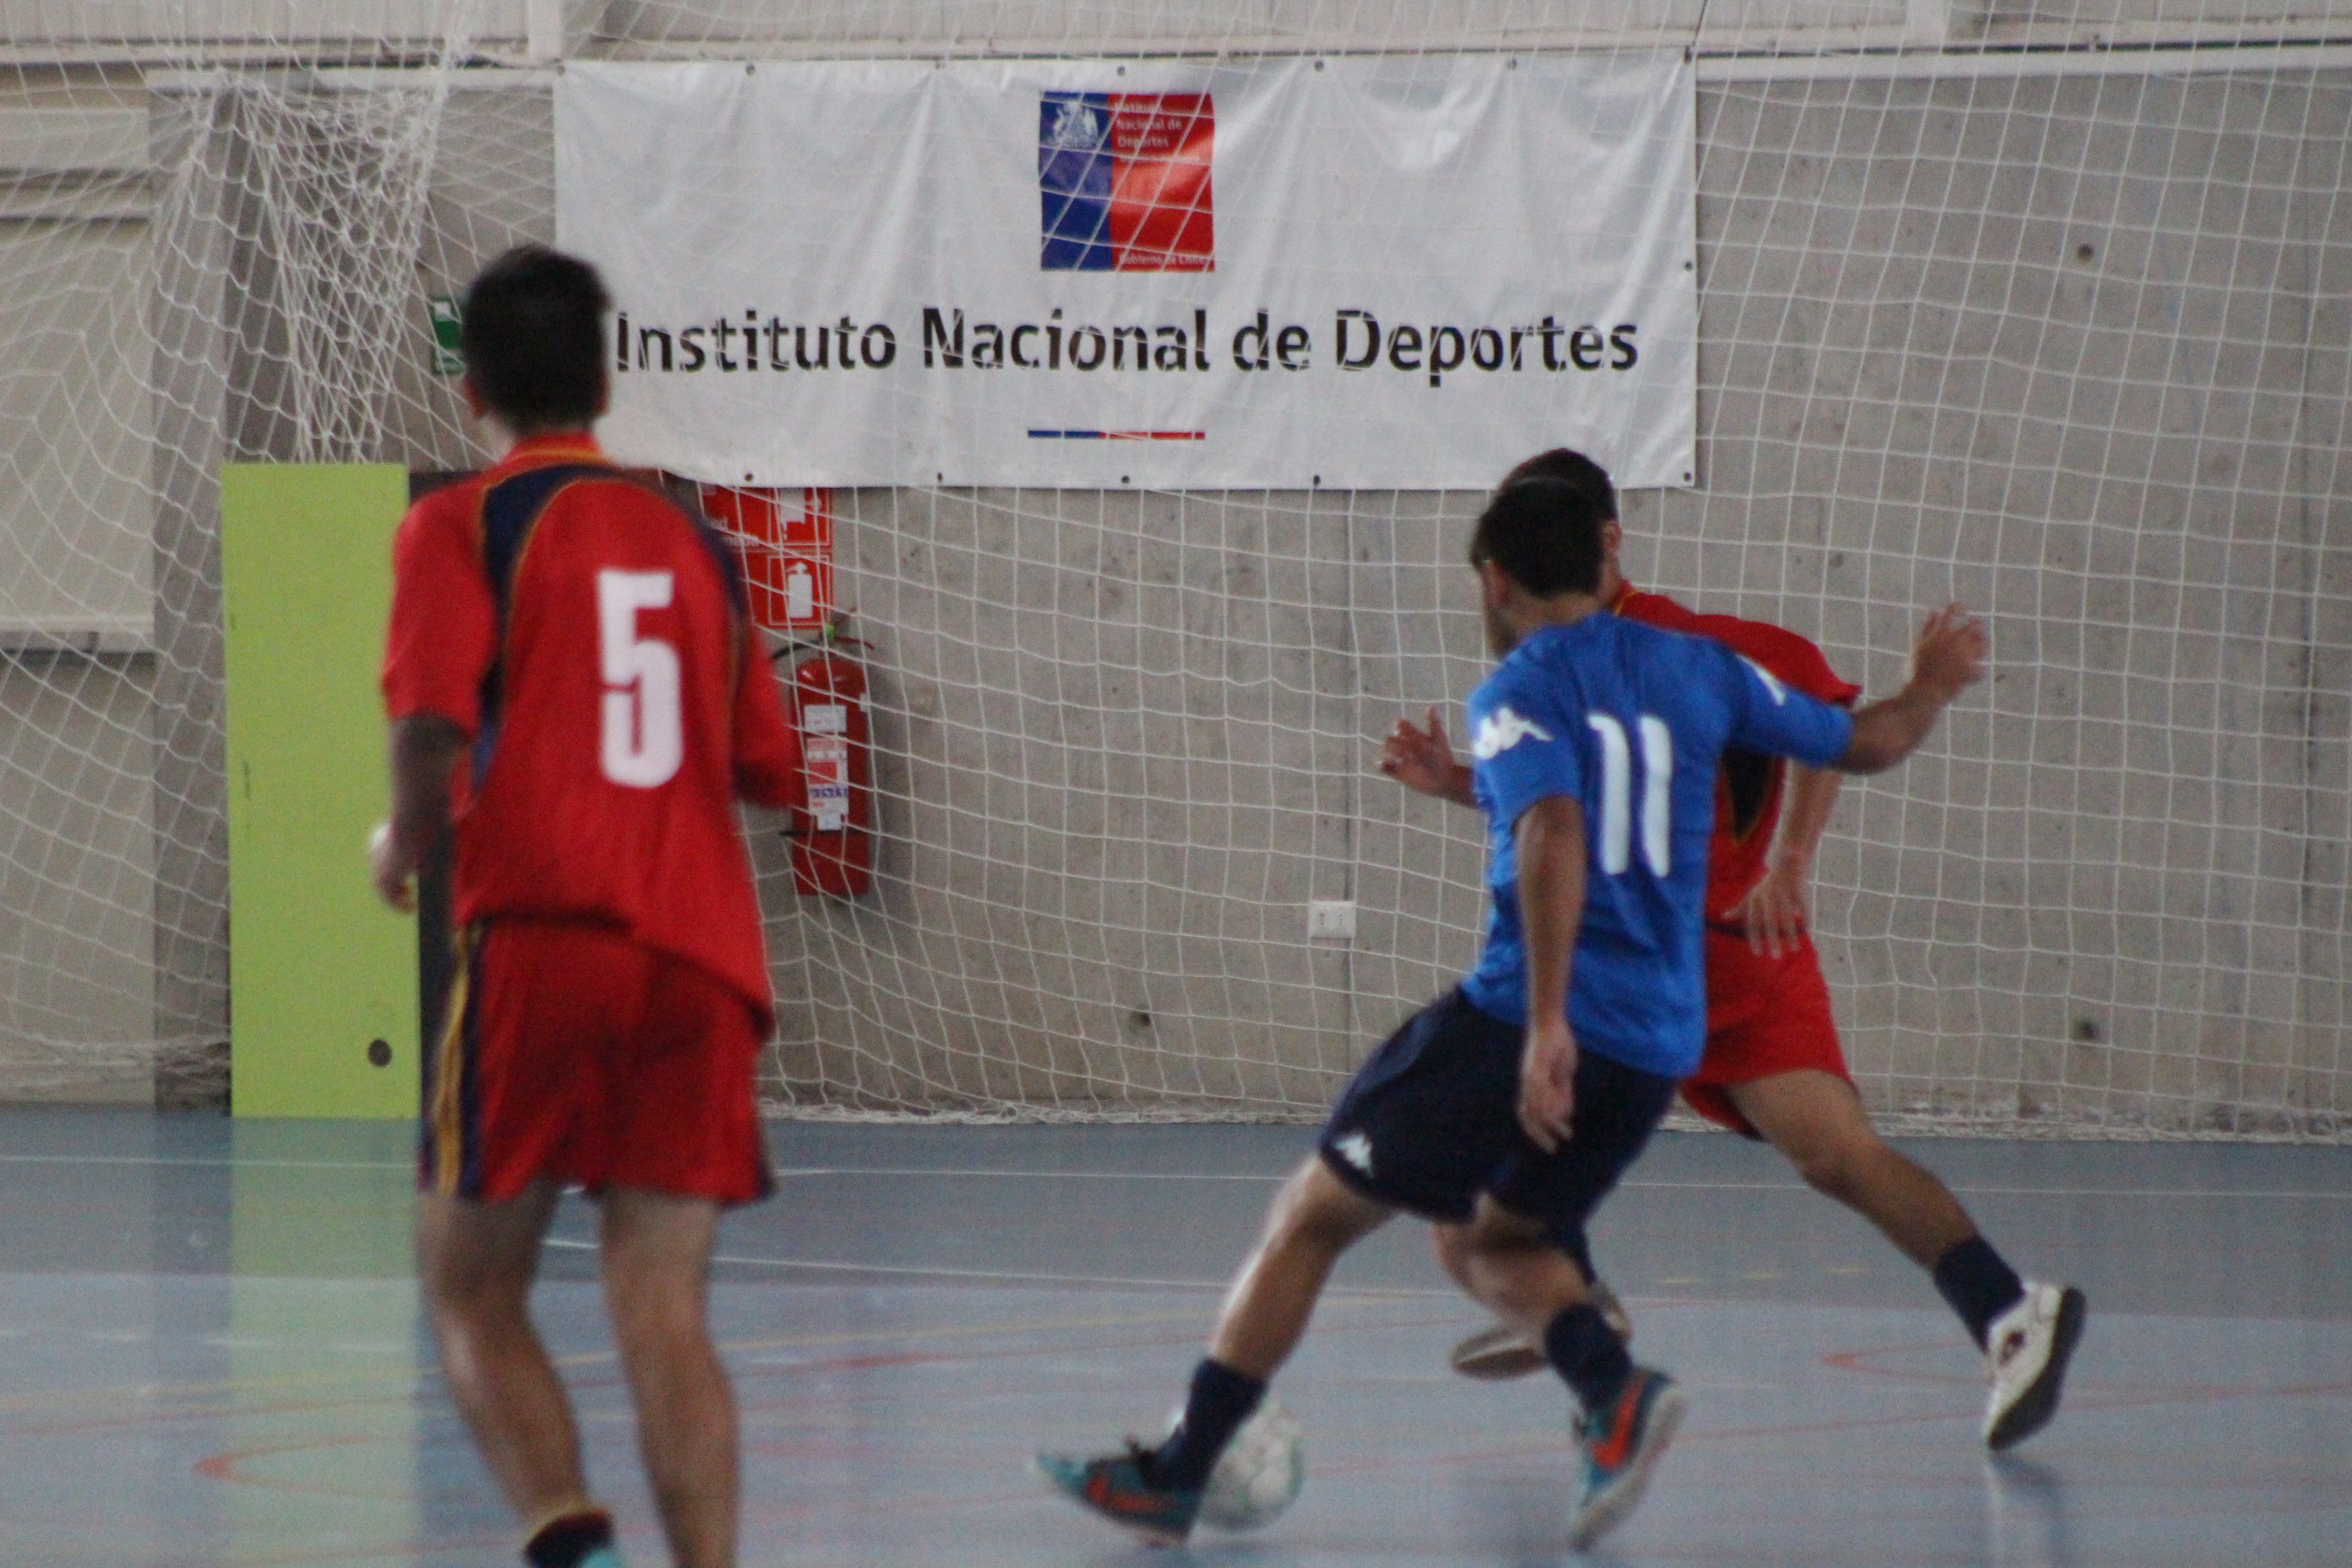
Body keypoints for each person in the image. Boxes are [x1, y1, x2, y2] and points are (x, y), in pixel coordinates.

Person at [1037, 470, 1988, 1551]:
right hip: (1658, 1042)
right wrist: (1930, 685)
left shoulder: (1519, 691)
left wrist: (1543, 1026)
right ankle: (1611, 1390)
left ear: (1495, 580)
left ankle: (1177, 1474)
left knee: (1312, 1215)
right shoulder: (1701, 668)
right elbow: (1867, 740)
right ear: (1604, 556)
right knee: (1485, 1240)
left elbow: (1553, 833)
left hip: (1520, 1023)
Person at [1387, 450, 2085, 1453]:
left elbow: (1814, 701)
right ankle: (2009, 1311)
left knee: (1483, 1153)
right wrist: (1460, 784)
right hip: (1724, 962)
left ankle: (1571, 1302)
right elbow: (1575, 806)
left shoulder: (1662, 647)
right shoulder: (1589, 670)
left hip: (1661, 960)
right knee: (1838, 1157)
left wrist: (1792, 858)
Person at [370, 244, 800, 1568]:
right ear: (607, 385)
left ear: (470, 390)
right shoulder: (697, 543)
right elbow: (767, 768)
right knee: (663, 1313)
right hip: (702, 961)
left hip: (549, 944)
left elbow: (431, 721)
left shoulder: (461, 524)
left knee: (468, 1290)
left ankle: (576, 1548)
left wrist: (406, 840)